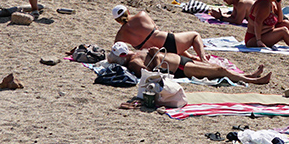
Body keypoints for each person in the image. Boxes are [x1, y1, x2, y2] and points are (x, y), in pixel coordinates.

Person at [112, 41, 273, 86]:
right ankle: (255, 81)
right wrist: (155, 56)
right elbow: (148, 74)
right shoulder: (133, 62)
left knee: (216, 68)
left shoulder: (135, 52)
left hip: (182, 60)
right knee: (220, 70)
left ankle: (247, 76)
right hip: (181, 68)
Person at [112, 5, 206, 60]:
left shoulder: (120, 35)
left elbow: (117, 51)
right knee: (195, 35)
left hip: (156, 56)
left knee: (164, 43)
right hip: (170, 43)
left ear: (117, 21)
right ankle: (203, 59)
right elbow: (156, 29)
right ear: (128, 11)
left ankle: (192, 57)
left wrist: (134, 53)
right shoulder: (142, 15)